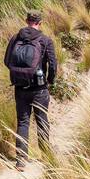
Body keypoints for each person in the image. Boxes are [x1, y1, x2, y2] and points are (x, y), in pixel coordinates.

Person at [3, 11, 58, 169]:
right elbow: (53, 65)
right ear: (40, 23)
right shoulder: (45, 40)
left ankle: (21, 160)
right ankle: (46, 155)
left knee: (23, 122)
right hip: (39, 89)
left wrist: (20, 73)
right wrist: (50, 81)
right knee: (41, 120)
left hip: (20, 88)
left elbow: (7, 61)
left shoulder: (15, 38)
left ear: (26, 21)